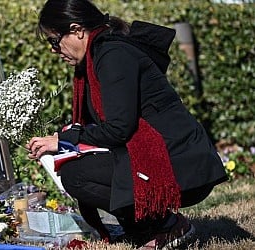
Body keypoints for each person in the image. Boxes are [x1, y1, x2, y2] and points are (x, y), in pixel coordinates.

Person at [25, 0, 228, 248]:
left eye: (55, 41)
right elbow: (108, 126)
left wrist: (65, 140)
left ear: (77, 30)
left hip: (182, 162)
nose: (54, 51)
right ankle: (145, 228)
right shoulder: (99, 56)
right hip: (170, 154)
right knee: (75, 166)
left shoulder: (113, 56)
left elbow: (118, 128)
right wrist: (67, 138)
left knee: (76, 175)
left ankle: (166, 225)